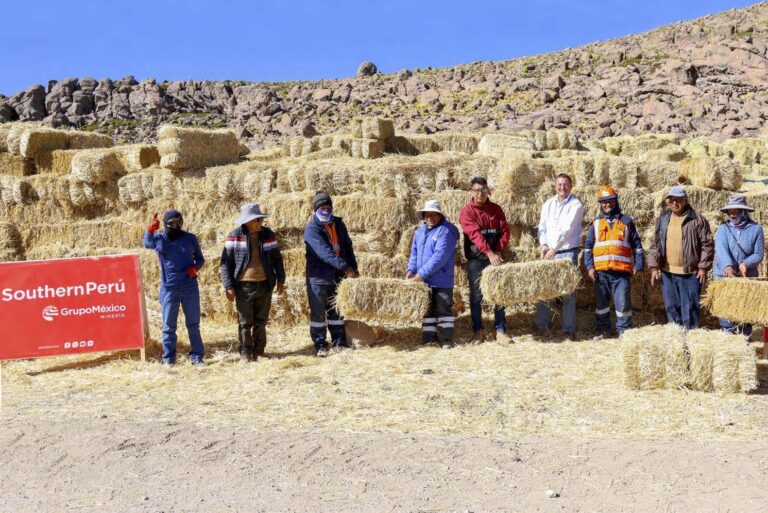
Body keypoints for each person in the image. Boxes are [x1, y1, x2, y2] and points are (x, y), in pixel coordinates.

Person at [221, 203, 286, 362]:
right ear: (247, 221)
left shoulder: (268, 235)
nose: (260, 222)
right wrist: (229, 286)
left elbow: (277, 259)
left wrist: (281, 279)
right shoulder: (234, 237)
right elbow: (225, 264)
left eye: (261, 220)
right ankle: (245, 352)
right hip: (244, 286)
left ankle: (259, 352)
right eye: (256, 220)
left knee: (261, 321)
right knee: (245, 323)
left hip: (264, 284)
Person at [144, 210, 206, 366]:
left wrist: (195, 268)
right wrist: (150, 229)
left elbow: (200, 258)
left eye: (178, 223)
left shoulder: (190, 238)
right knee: (169, 326)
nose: (174, 226)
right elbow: (147, 243)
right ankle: (168, 359)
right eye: (170, 223)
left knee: (193, 324)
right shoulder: (159, 239)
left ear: (182, 222)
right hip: (169, 288)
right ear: (165, 224)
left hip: (189, 287)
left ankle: (197, 356)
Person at [648, 186, 714, 330]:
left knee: (689, 308)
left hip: (690, 273)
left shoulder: (696, 219)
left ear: (685, 200)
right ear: (667, 202)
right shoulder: (663, 218)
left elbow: (707, 244)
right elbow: (655, 243)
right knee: (671, 306)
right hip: (667, 272)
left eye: (678, 200)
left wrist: (703, 267)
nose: (675, 203)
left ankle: (690, 336)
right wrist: (654, 266)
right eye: (672, 200)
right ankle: (676, 337)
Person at [583, 186, 644, 339]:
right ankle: (603, 330)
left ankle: (624, 332)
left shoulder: (627, 222)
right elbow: (588, 247)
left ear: (615, 201)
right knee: (602, 305)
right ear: (600, 204)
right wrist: (590, 266)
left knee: (623, 303)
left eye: (610, 201)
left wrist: (638, 264)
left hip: (621, 272)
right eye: (603, 202)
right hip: (601, 272)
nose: (607, 205)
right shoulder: (596, 223)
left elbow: (637, 245)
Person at [304, 191, 359, 357]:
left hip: (337, 276)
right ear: (316, 209)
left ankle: (339, 342)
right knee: (318, 314)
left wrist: (353, 268)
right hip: (319, 278)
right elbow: (324, 253)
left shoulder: (338, 224)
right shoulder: (312, 229)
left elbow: (347, 248)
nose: (326, 210)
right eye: (322, 208)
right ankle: (320, 344)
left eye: (328, 207)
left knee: (336, 311)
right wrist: (345, 267)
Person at [459, 176, 512, 344]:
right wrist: (490, 253)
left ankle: (500, 330)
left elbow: (505, 231)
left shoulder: (496, 209)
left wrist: (498, 251)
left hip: (495, 257)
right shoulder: (467, 212)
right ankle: (478, 330)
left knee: (498, 292)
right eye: (476, 191)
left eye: (483, 190)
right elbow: (474, 235)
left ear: (488, 190)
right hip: (477, 259)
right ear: (471, 191)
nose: (480, 194)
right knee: (476, 296)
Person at [535, 173, 584, 340]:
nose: (562, 187)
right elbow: (542, 227)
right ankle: (542, 327)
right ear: (555, 186)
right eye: (559, 184)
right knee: (544, 288)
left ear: (571, 186)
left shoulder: (576, 205)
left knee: (568, 291)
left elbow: (568, 229)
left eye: (565, 184)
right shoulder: (548, 204)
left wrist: (554, 249)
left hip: (567, 252)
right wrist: (543, 244)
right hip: (548, 252)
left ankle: (568, 330)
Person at [407, 200, 460, 349]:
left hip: (441, 280)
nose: (430, 217)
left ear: (440, 215)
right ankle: (428, 341)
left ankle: (446, 341)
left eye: (434, 214)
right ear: (423, 216)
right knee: (427, 311)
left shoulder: (446, 231)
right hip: (423, 280)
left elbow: (440, 257)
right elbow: (414, 253)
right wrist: (411, 271)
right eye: (427, 214)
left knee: (443, 310)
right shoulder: (420, 231)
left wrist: (420, 274)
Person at [713, 194, 764, 337]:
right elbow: (721, 250)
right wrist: (728, 266)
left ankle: (745, 340)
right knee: (727, 314)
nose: (733, 214)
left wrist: (745, 263)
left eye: (736, 211)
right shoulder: (723, 229)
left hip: (746, 278)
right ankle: (729, 338)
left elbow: (758, 254)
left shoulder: (756, 229)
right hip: (725, 277)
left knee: (745, 314)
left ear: (744, 212)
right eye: (730, 211)